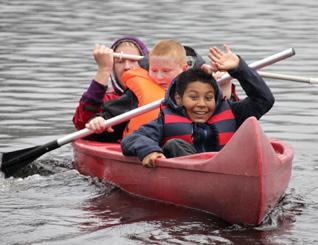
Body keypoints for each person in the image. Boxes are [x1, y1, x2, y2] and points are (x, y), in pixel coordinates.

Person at [121, 44, 275, 167]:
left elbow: (264, 99)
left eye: (208, 98)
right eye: (193, 97)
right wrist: (149, 151)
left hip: (228, 169)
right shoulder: (164, 120)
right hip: (193, 177)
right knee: (174, 144)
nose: (202, 104)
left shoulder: (232, 112)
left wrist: (239, 68)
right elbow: (133, 139)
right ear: (179, 98)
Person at [85, 39, 190, 142]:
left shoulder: (198, 90)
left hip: (190, 148)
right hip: (147, 148)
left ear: (184, 69)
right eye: (153, 70)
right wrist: (98, 121)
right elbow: (111, 116)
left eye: (166, 71)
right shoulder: (135, 95)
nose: (159, 77)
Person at [72, 36, 148, 130]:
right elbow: (82, 124)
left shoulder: (163, 95)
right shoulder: (107, 99)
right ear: (113, 67)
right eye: (120, 62)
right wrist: (104, 70)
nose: (127, 67)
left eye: (133, 61)